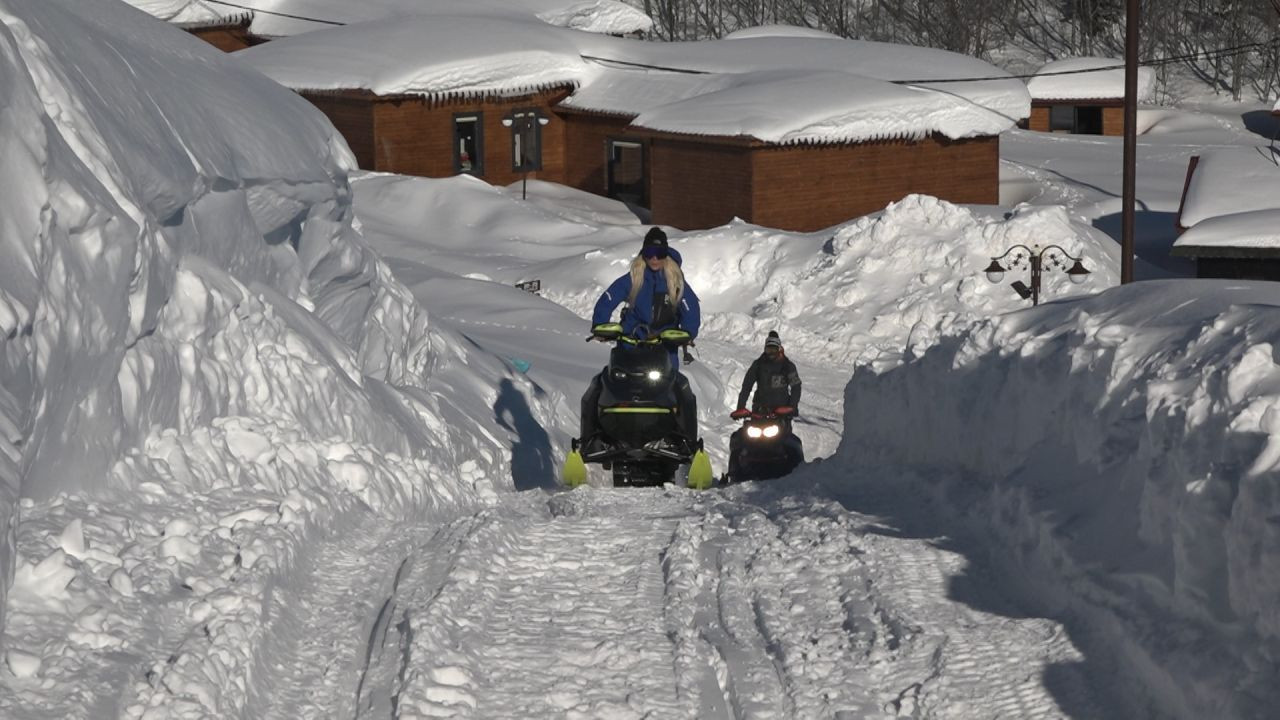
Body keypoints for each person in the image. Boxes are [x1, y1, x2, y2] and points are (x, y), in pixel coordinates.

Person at [580, 227, 701, 449]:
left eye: (660, 252)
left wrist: (687, 333)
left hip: (663, 349)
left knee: (681, 388)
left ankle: (686, 444)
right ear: (643, 253)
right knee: (599, 384)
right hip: (630, 347)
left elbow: (690, 308)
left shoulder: (675, 280)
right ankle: (589, 441)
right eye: (649, 252)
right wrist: (600, 325)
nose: (654, 258)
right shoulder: (634, 277)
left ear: (666, 253)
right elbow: (609, 298)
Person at [728, 331, 803, 477]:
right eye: (768, 349)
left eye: (773, 349)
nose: (771, 353)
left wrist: (792, 407)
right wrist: (740, 408)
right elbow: (746, 386)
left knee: (790, 442)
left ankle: (797, 471)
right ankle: (735, 471)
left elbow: (796, 387)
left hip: (780, 414)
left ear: (779, 349)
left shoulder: (787, 366)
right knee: (740, 439)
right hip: (759, 412)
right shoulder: (758, 365)